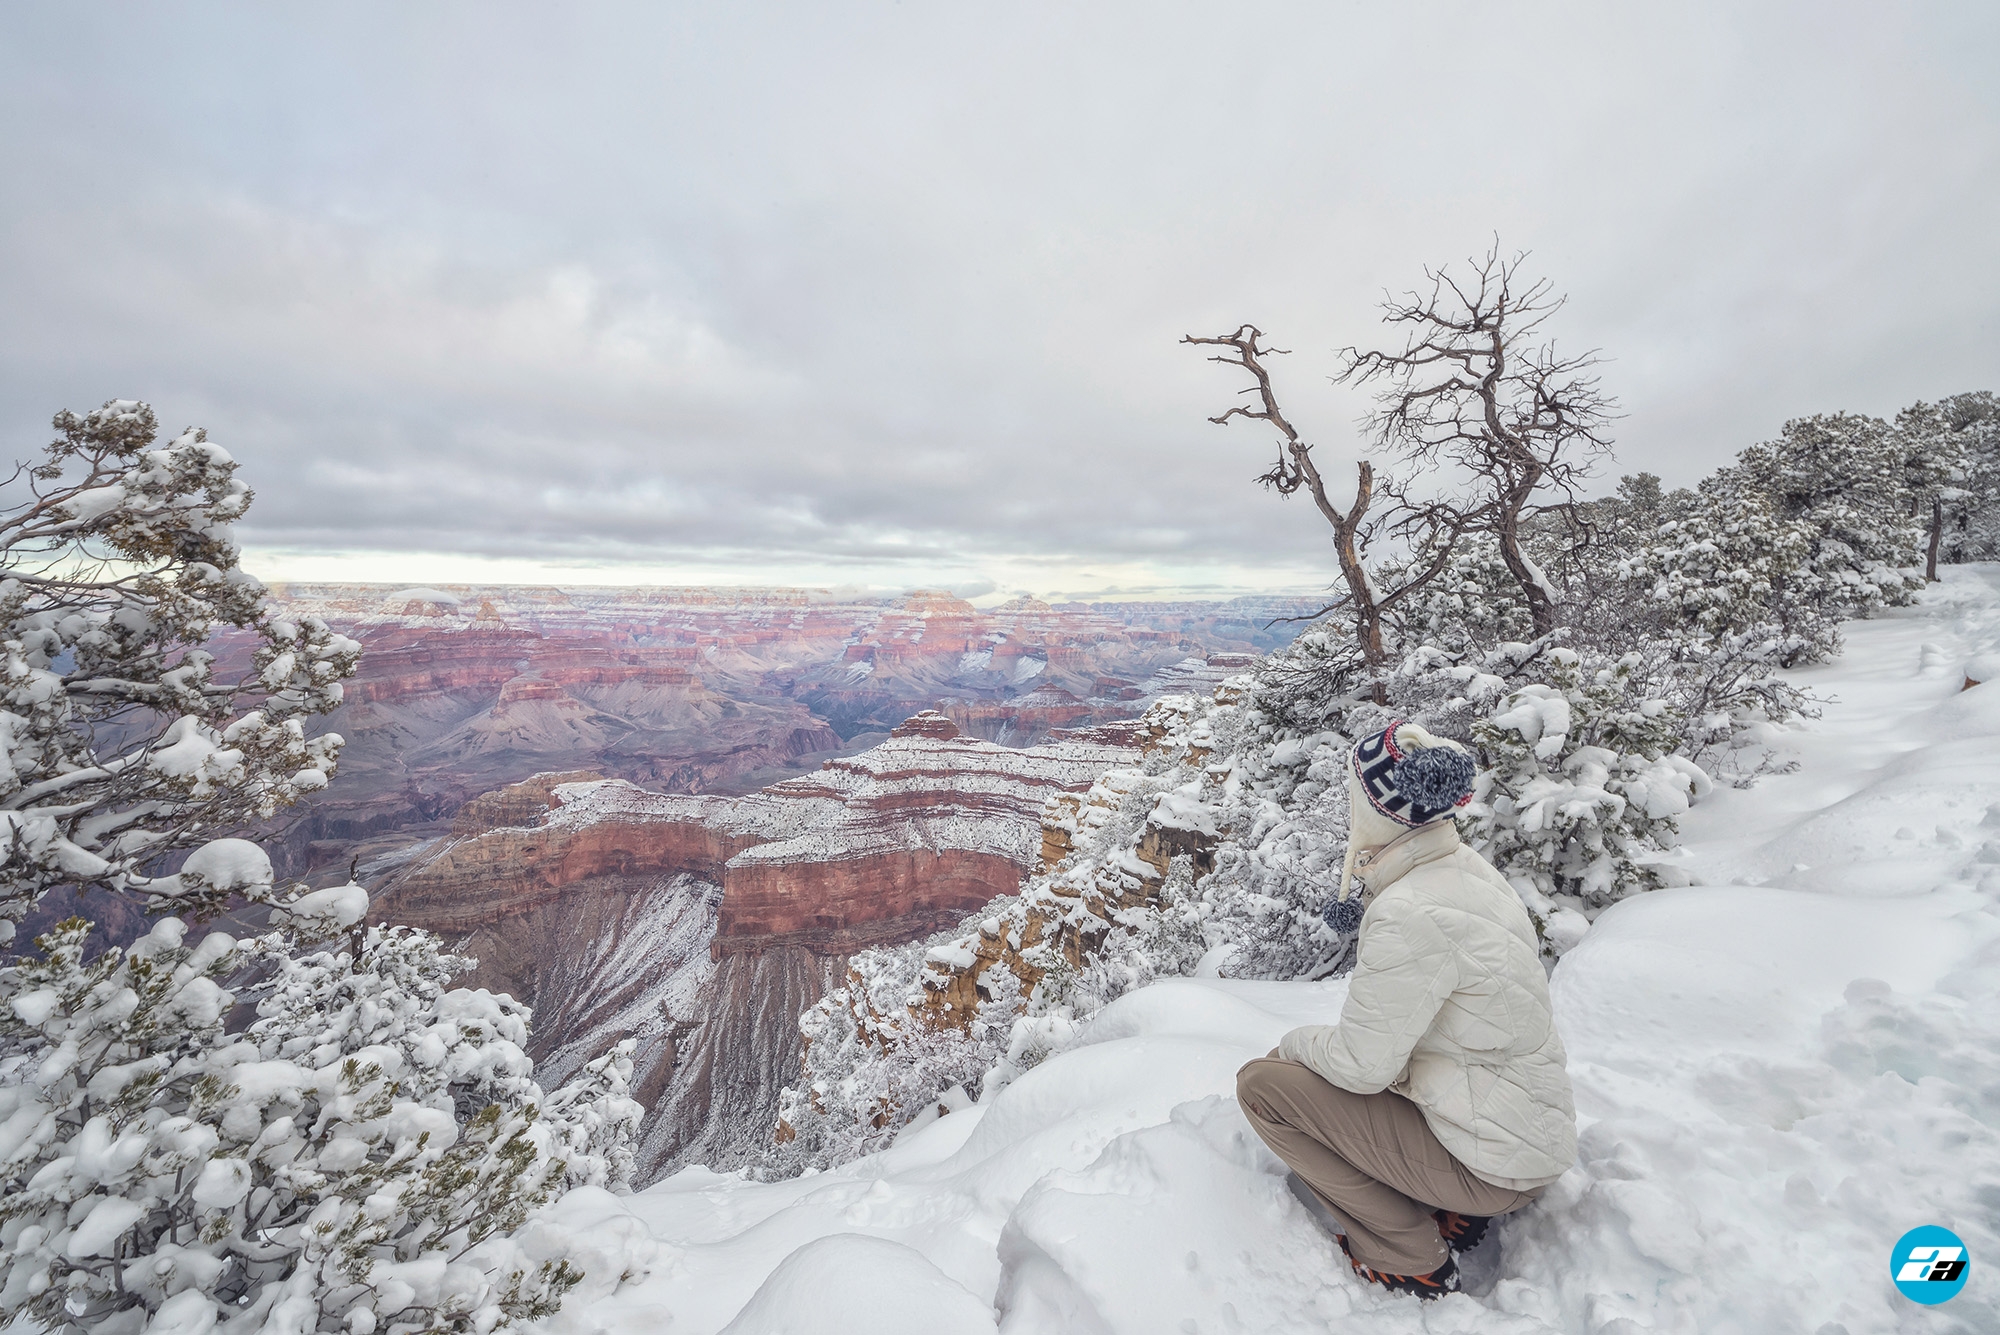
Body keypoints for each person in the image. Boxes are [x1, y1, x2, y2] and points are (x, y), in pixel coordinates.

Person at [1236, 720, 1577, 1299]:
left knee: (1265, 1086)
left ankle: (1407, 1251)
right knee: (1309, 1075)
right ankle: (1447, 1205)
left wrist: (1293, 1045)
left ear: (1375, 812)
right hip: (1521, 1137)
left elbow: (1361, 1066)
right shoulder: (1471, 874)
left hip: (1491, 1163)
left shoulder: (1410, 910)